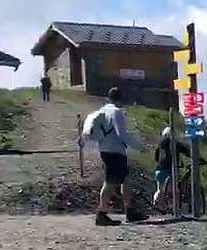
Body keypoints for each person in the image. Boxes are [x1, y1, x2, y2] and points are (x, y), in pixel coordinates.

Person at [81, 86, 147, 226]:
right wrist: (140, 147)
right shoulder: (116, 112)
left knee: (125, 180)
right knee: (111, 182)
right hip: (115, 151)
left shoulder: (102, 111)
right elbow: (121, 134)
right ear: (120, 98)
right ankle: (102, 213)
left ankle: (129, 210)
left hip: (105, 149)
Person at [151, 126, 196, 214]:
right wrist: (197, 158)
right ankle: (176, 209)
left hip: (159, 170)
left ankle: (157, 205)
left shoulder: (159, 145)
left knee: (160, 189)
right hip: (170, 170)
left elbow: (156, 158)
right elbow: (187, 152)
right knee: (175, 190)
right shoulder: (175, 143)